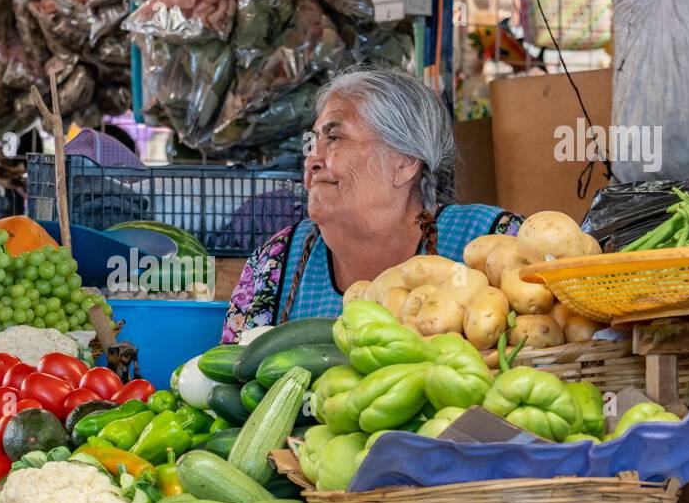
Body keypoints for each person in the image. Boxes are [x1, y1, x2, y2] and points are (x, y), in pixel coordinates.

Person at [223, 65, 521, 341]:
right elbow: (231, 374)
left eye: (335, 138)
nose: (312, 160)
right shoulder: (276, 261)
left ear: (404, 162)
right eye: (313, 142)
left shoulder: (494, 241)